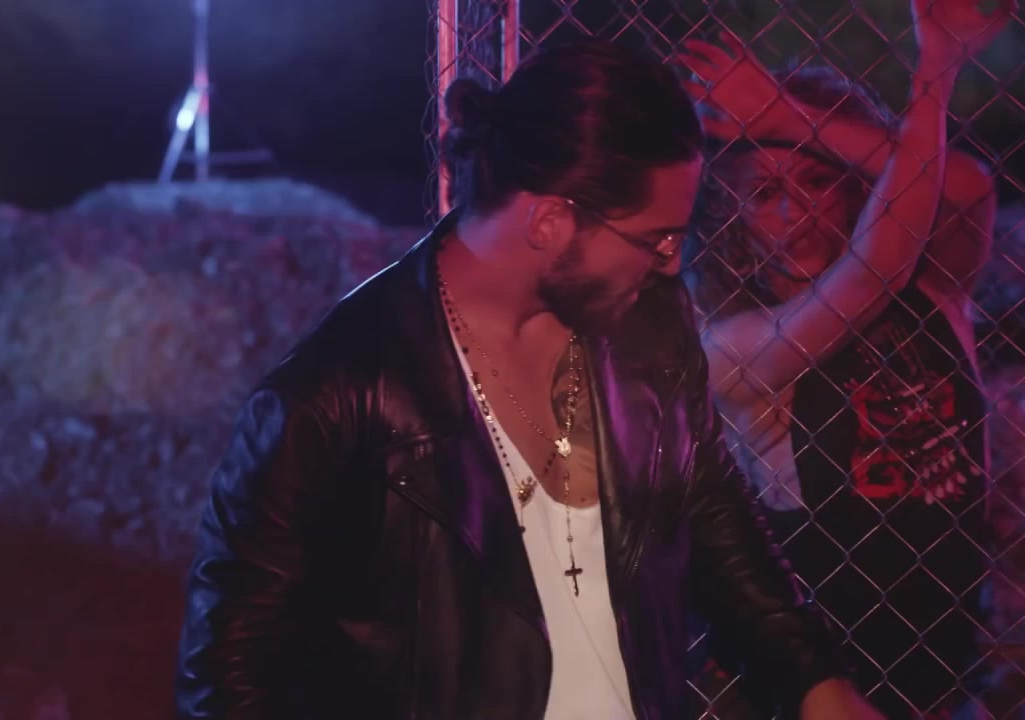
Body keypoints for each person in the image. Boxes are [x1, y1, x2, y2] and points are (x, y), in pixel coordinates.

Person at [175, 39, 880, 720]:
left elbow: (713, 514)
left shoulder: (647, 327)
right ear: (549, 221)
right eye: (653, 238)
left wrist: (813, 681)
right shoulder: (337, 395)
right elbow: (231, 672)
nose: (672, 261)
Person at [677, 0, 1013, 716]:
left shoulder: (934, 290)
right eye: (765, 192)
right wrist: (935, 70)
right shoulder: (733, 346)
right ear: (730, 213)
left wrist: (790, 118)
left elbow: (965, 190)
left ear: (861, 187)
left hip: (945, 686)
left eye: (819, 180)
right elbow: (871, 273)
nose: (794, 212)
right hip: (819, 698)